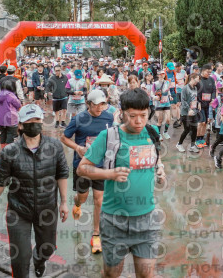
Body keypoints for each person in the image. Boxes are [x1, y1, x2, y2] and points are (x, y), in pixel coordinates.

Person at [77, 88, 166, 278]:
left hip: (147, 219)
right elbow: (82, 169)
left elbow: (156, 155)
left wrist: (160, 168)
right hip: (114, 221)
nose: (139, 121)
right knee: (112, 274)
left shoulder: (152, 132)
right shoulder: (108, 137)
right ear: (122, 113)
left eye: (143, 115)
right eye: (132, 116)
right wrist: (109, 174)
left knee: (146, 275)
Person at [0, 104, 69, 278]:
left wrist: (64, 202)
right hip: (19, 210)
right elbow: (1, 181)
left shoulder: (55, 146)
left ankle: (39, 260)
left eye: (37, 120)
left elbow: (62, 174)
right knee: (20, 257)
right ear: (20, 125)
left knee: (47, 248)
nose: (34, 124)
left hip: (47, 208)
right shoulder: (10, 151)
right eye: (29, 121)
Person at [62, 89, 114, 255]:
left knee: (99, 200)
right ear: (88, 104)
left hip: (101, 166)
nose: (99, 108)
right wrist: (78, 148)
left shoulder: (109, 117)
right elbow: (64, 137)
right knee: (82, 197)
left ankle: (96, 234)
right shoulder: (79, 118)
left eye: (102, 104)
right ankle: (77, 204)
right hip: (82, 166)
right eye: (96, 105)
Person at [176, 72, 201, 153]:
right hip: (186, 113)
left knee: (195, 129)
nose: (198, 81)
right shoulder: (185, 88)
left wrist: (198, 103)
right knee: (187, 129)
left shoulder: (195, 88)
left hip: (194, 111)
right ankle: (179, 144)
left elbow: (194, 98)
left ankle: (192, 146)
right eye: (197, 80)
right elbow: (183, 101)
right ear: (192, 79)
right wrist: (188, 109)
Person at [0, 78, 22, 148]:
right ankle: (8, 150)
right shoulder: (11, 95)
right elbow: (18, 104)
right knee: (11, 134)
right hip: (11, 118)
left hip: (1, 118)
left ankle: (3, 149)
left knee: (2, 133)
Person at [153, 69, 172, 140]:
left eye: (163, 74)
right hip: (159, 104)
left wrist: (170, 96)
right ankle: (158, 134)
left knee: (168, 119)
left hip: (166, 103)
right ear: (158, 75)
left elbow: (168, 91)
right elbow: (152, 93)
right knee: (160, 120)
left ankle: (165, 132)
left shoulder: (167, 82)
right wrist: (155, 97)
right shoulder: (155, 83)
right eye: (160, 74)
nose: (162, 75)